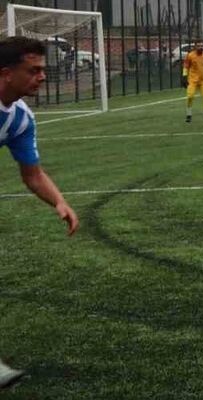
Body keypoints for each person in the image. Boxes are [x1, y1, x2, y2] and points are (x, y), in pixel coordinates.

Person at [0, 37, 80, 390]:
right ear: (6, 73)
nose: (42, 77)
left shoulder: (19, 118)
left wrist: (59, 202)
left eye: (43, 70)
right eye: (33, 70)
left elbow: (31, 173)